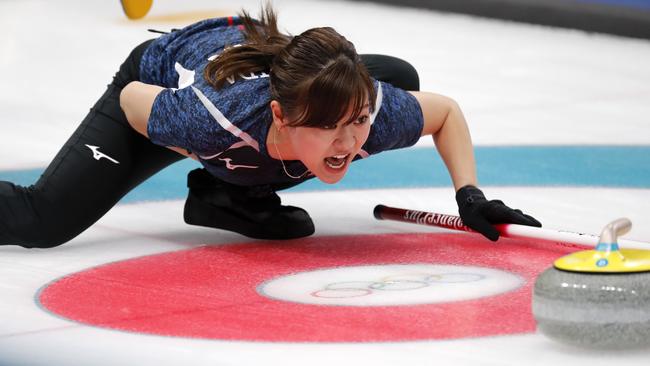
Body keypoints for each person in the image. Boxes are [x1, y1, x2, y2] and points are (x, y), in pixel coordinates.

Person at [0, 6, 541, 249]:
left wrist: (470, 196)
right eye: (333, 129)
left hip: (264, 98)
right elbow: (132, 99)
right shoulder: (207, 118)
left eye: (356, 123)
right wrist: (203, 150)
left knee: (401, 78)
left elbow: (444, 111)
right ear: (280, 117)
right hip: (163, 86)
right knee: (42, 221)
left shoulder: (365, 115)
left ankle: (226, 197)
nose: (351, 144)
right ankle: (222, 179)